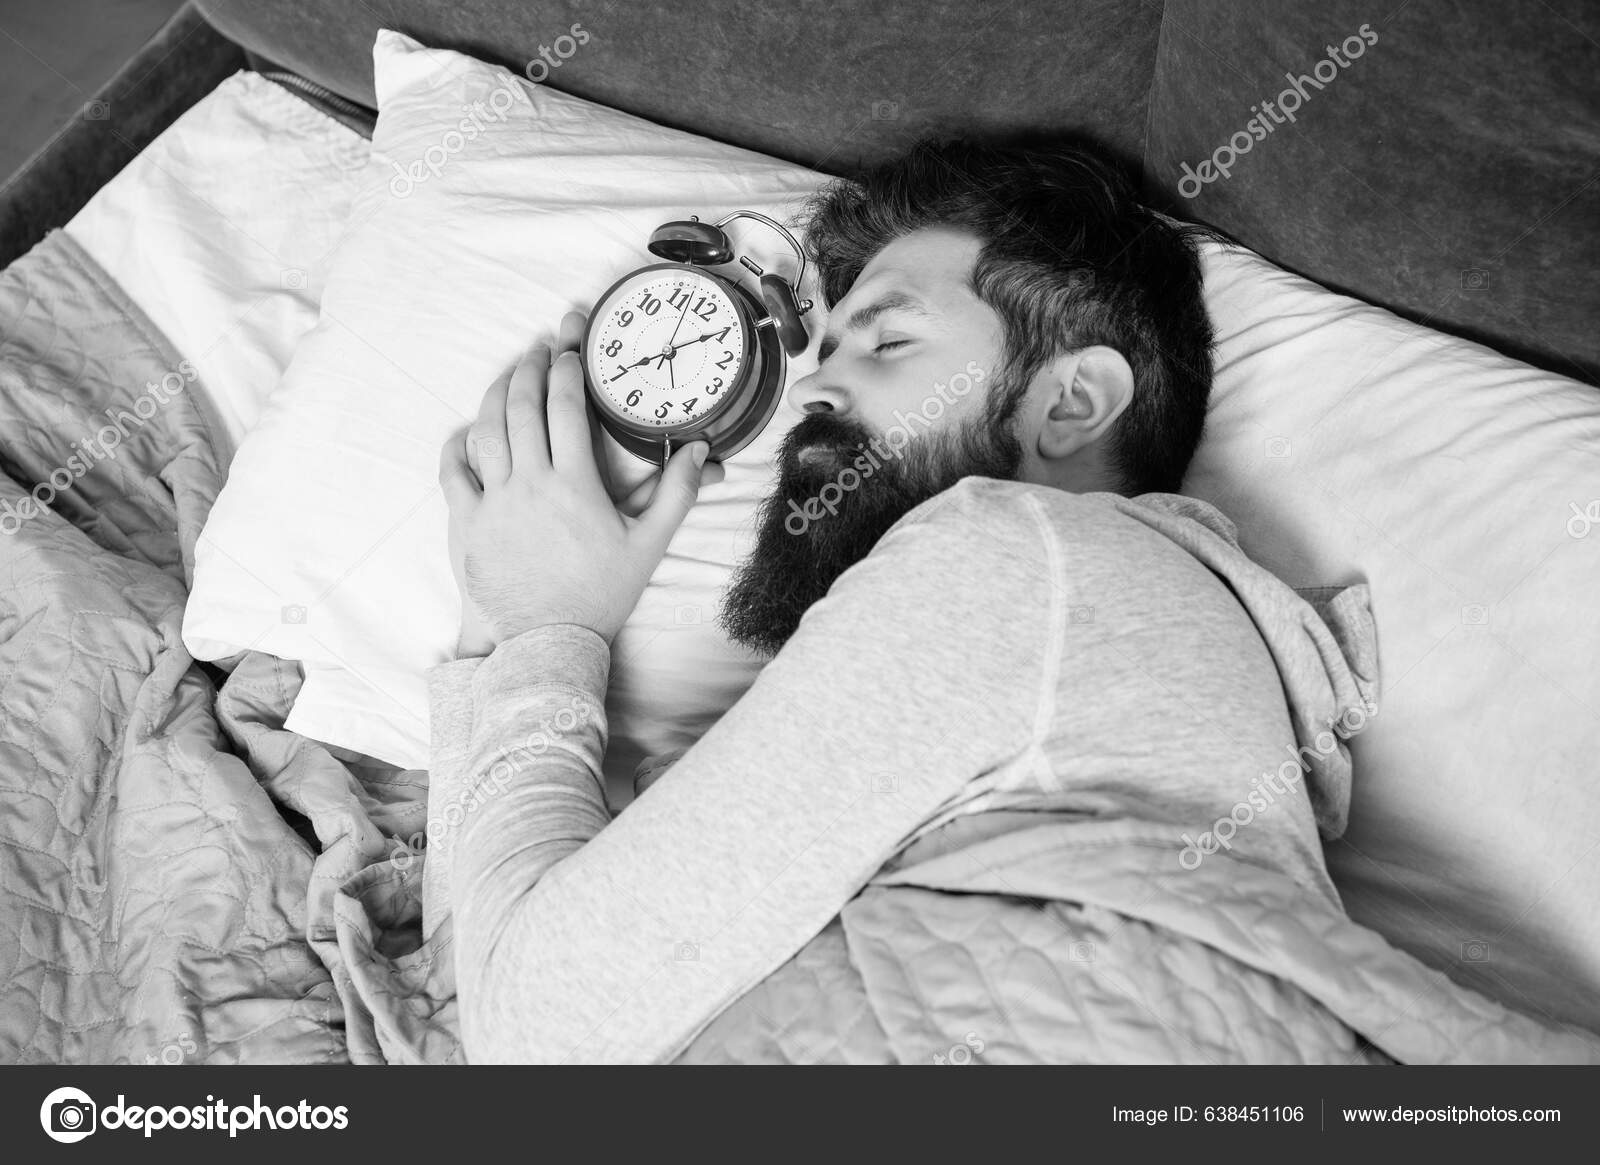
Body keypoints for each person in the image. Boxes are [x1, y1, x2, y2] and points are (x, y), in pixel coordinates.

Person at [425, 139, 1376, 1063]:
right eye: (827, 354)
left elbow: (529, 1038)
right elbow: (472, 990)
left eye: (889, 337)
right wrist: (498, 626)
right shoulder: (1074, 630)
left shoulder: (1014, 557)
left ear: (1073, 401)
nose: (818, 387)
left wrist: (546, 628)